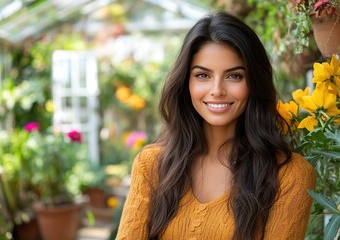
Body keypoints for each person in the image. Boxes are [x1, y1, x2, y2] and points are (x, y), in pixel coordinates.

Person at [116, 11, 316, 240]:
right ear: (186, 83)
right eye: (202, 75)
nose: (217, 90)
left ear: (254, 83)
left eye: (234, 76)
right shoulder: (151, 165)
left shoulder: (289, 175)